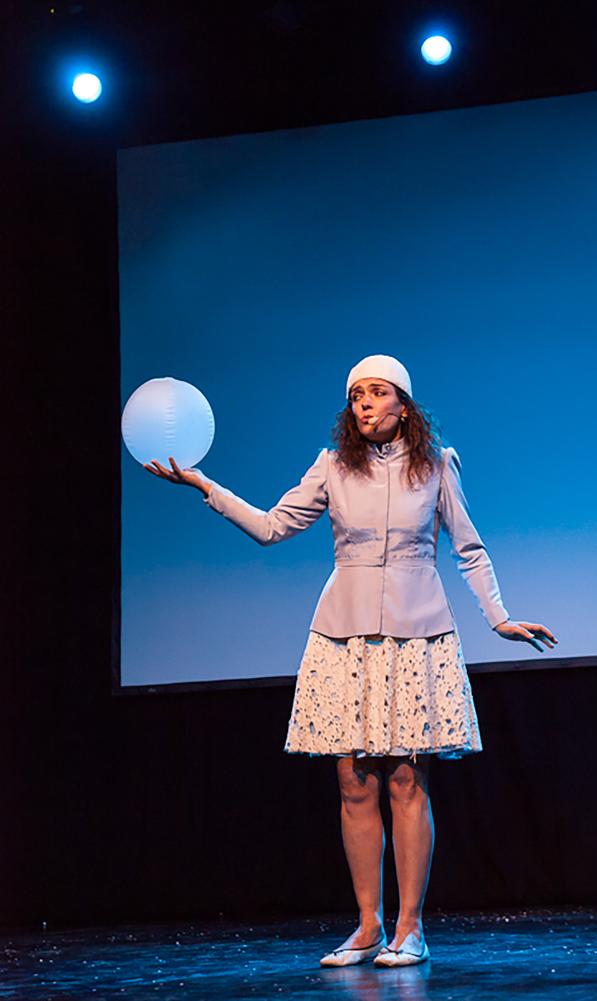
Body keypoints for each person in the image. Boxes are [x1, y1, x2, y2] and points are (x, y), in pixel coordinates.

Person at [144, 353, 557, 969]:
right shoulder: (333, 467)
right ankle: (367, 926)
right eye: (356, 395)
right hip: (345, 637)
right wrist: (208, 488)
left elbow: (469, 549)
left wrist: (497, 616)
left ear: (404, 405)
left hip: (417, 634)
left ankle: (410, 928)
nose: (363, 404)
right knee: (353, 780)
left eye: (377, 393)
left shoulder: (437, 467)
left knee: (407, 779)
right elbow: (271, 527)